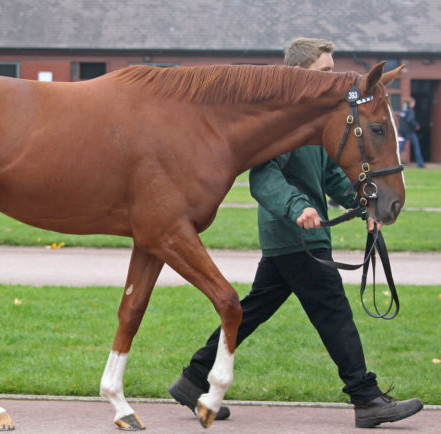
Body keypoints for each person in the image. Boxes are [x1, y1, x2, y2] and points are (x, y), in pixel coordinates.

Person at [168, 38, 423, 429]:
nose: (333, 79)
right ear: (298, 74)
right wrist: (296, 206)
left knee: (251, 311)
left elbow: (331, 175)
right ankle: (366, 397)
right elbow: (264, 176)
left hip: (299, 237)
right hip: (294, 234)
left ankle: (193, 379)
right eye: (324, 72)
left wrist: (364, 207)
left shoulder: (317, 123)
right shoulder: (281, 124)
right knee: (333, 310)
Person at [398, 97, 425, 168]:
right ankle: (420, 164)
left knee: (401, 146)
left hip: (402, 131)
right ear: (410, 103)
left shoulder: (403, 110)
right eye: (413, 103)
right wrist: (416, 125)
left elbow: (401, 120)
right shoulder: (410, 111)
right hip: (409, 132)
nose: (414, 104)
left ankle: (393, 160)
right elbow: (410, 120)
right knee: (416, 146)